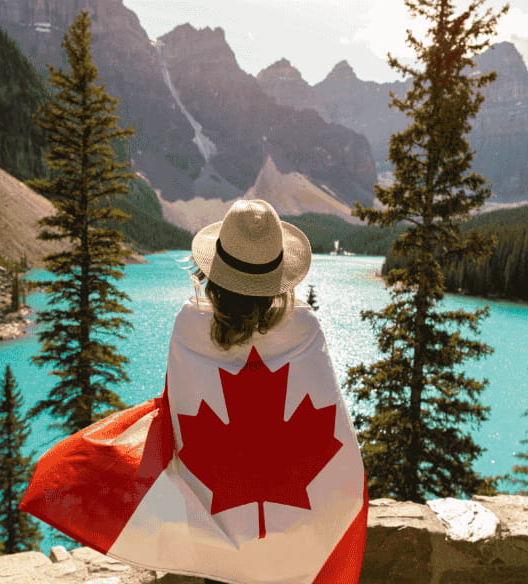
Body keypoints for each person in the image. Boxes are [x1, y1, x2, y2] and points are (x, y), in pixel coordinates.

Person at [21, 200, 368, 584]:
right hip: (296, 540)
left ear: (214, 274)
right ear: (278, 278)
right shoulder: (305, 328)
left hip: (219, 530)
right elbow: (334, 427)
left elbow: (177, 412)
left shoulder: (190, 326)